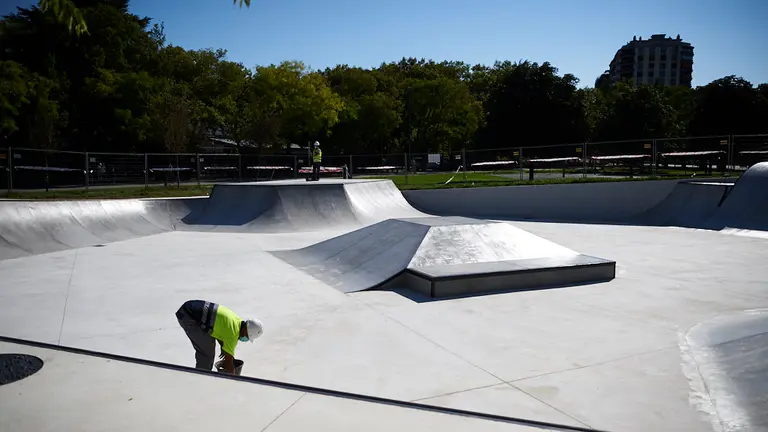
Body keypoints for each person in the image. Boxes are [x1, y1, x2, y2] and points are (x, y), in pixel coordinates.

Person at [175, 299, 263, 374]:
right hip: (189, 316)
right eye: (247, 337)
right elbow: (228, 362)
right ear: (245, 331)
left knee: (209, 344)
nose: (245, 339)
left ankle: (202, 375)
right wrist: (234, 379)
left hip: (190, 308)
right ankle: (200, 380)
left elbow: (221, 328)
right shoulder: (232, 335)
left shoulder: (236, 321)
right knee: (207, 355)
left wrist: (223, 345)